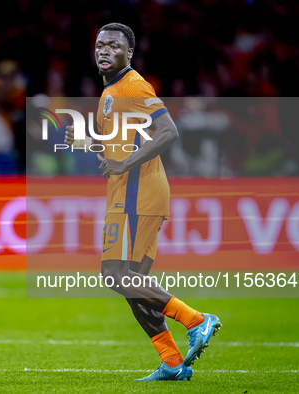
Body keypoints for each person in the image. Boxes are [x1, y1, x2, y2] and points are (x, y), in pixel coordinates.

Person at [65, 23, 221, 382]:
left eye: (113, 46)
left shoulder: (133, 85)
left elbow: (168, 131)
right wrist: (85, 143)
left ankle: (196, 320)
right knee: (136, 287)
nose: (104, 51)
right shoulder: (110, 93)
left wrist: (123, 164)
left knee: (115, 275)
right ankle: (171, 362)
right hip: (129, 192)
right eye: (99, 45)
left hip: (139, 193)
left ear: (128, 53)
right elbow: (116, 147)